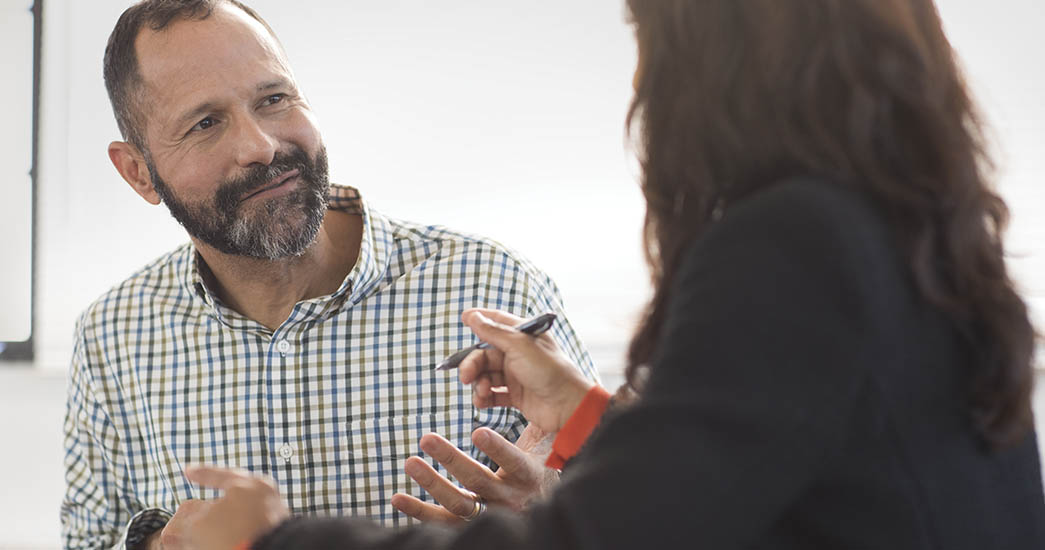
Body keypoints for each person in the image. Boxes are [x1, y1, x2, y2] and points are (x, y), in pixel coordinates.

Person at [181, 0, 1045, 548]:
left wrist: (274, 538)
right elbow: (756, 478)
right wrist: (580, 414)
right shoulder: (906, 230)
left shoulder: (791, 246)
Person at [59, 1, 598, 549]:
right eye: (205, 123)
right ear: (138, 173)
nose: (259, 146)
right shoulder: (111, 336)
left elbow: (628, 512)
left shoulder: (495, 285)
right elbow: (88, 539)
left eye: (273, 99)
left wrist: (545, 519)